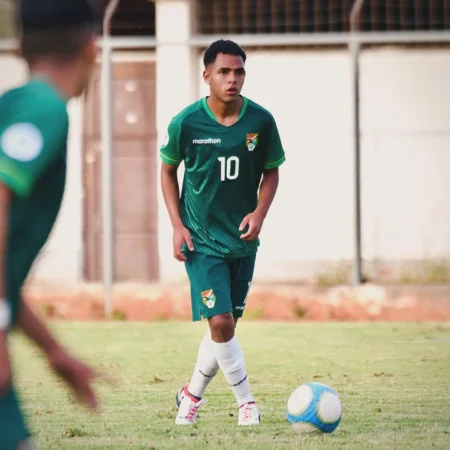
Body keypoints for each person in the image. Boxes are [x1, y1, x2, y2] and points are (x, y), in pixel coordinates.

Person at [160, 39, 286, 426]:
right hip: (200, 240)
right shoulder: (186, 122)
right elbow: (167, 171)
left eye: (239, 72)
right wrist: (177, 226)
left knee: (224, 327)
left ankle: (191, 395)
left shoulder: (261, 121)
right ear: (207, 76)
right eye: (224, 72)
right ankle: (246, 403)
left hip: (242, 240)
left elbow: (271, 170)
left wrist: (260, 213)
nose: (233, 79)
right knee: (221, 323)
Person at [0, 1, 102, 448]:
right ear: (91, 47)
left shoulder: (19, 105)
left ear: (21, 46)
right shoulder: (44, 108)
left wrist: (53, 352)